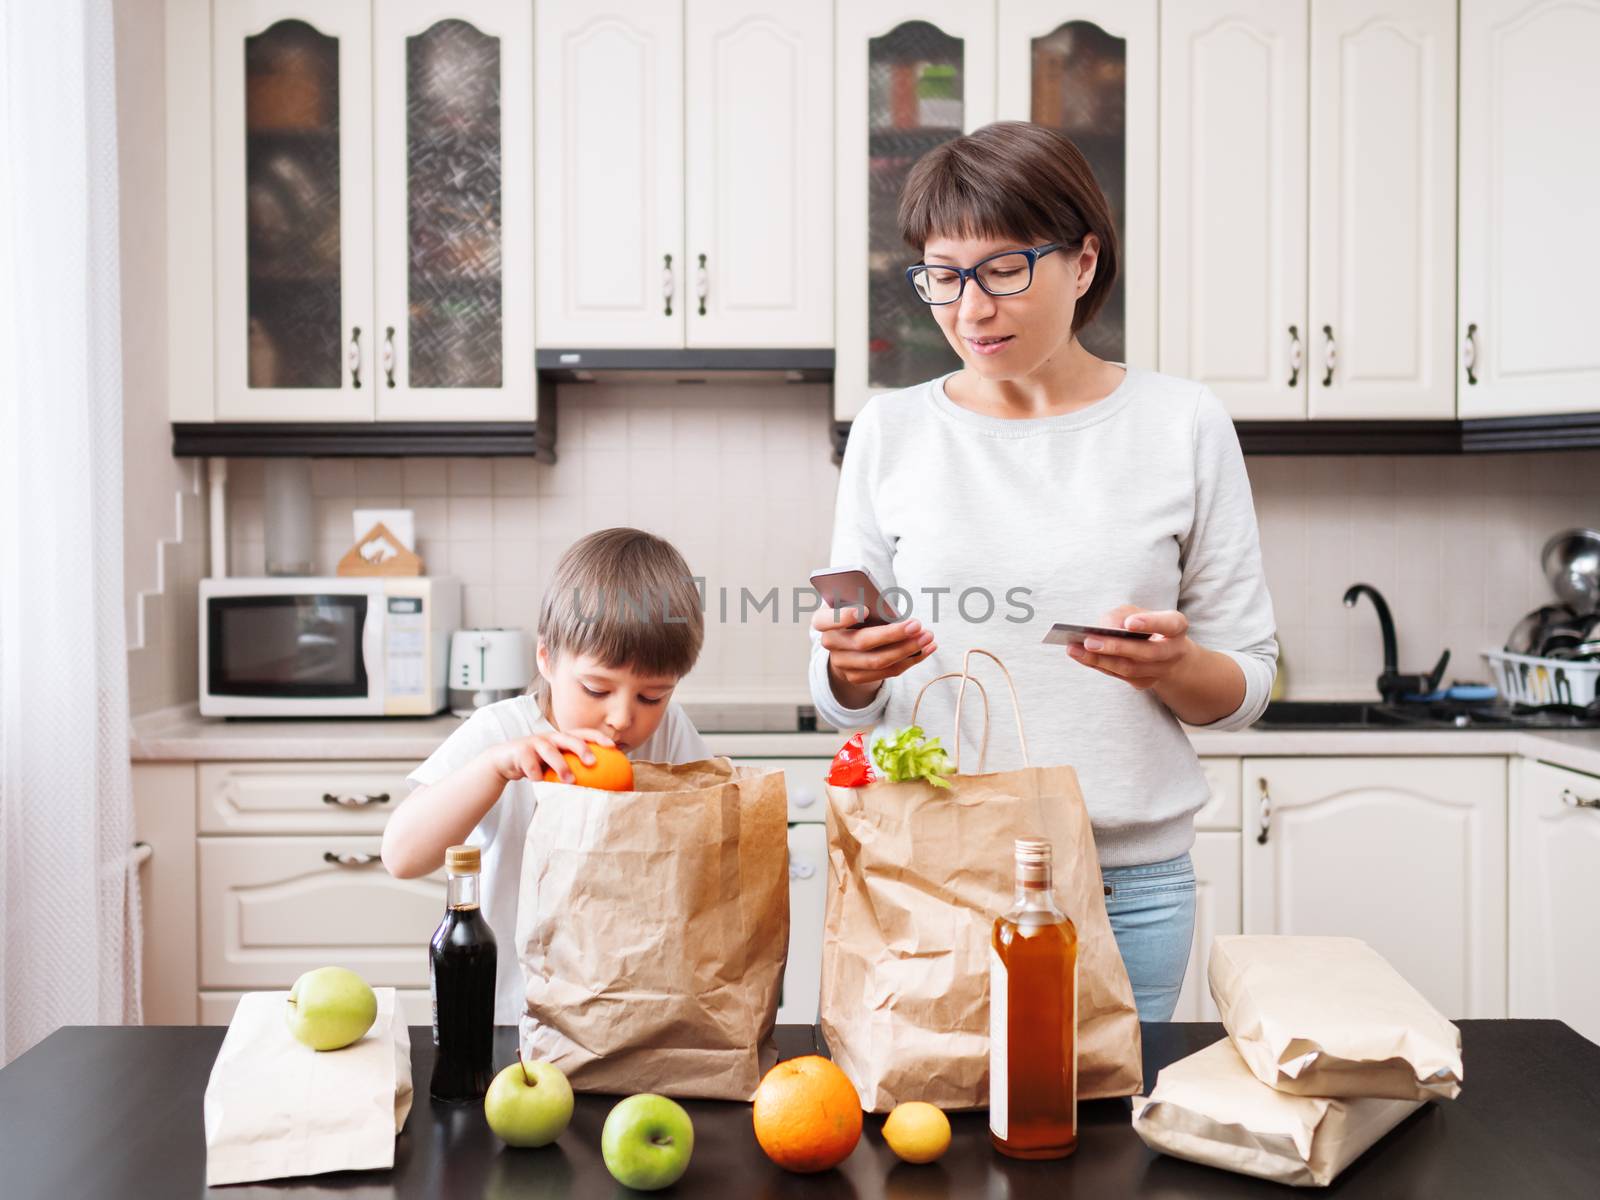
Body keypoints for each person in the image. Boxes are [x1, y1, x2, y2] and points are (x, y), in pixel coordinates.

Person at [809, 121, 1277, 1022]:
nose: (971, 309)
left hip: (1122, 882)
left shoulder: (1182, 424)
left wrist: (1174, 669)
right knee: (926, 1147)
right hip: (928, 864)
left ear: (1084, 262)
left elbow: (1246, 679)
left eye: (1005, 269)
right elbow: (843, 698)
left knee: (1103, 1150)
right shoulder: (890, 431)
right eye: (943, 276)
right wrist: (846, 667)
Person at [383, 527, 713, 1023]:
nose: (623, 718)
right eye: (596, 689)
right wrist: (495, 769)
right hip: (512, 1015)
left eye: (652, 696)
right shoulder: (503, 732)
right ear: (546, 659)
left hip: (630, 1010)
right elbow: (402, 856)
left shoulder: (669, 735)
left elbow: (705, 856)